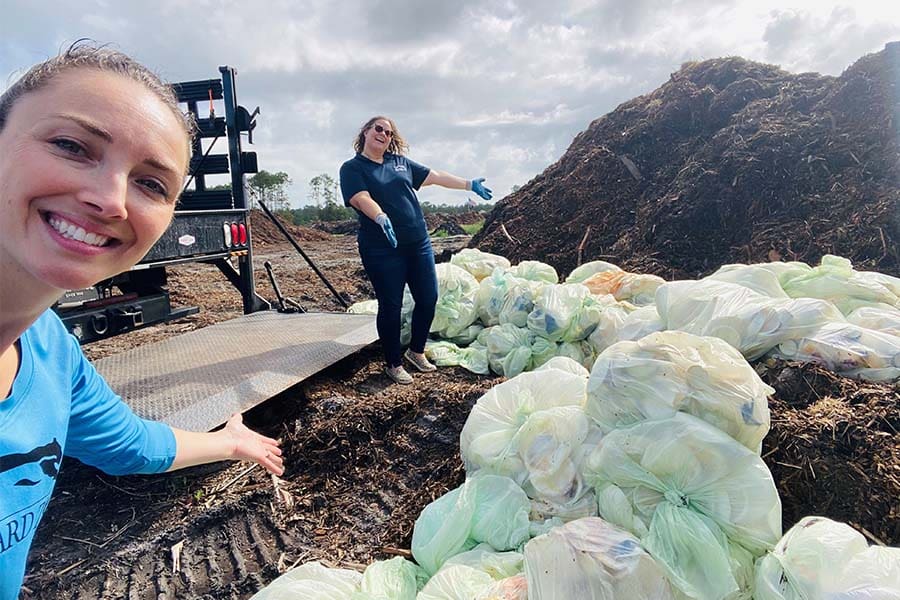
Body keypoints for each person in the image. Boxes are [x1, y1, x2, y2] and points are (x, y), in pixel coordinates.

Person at [0, 43, 285, 597]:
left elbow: (129, 444)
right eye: (71, 146)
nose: (111, 200)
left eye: (151, 184)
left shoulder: (50, 353)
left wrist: (231, 444)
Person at [340, 116, 493, 384]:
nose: (383, 134)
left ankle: (416, 351)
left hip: (418, 243)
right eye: (378, 129)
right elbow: (360, 197)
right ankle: (393, 363)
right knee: (391, 305)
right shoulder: (353, 168)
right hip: (382, 248)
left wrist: (468, 184)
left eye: (388, 132)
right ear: (365, 132)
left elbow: (434, 177)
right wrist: (380, 217)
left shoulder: (399, 163)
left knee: (428, 297)